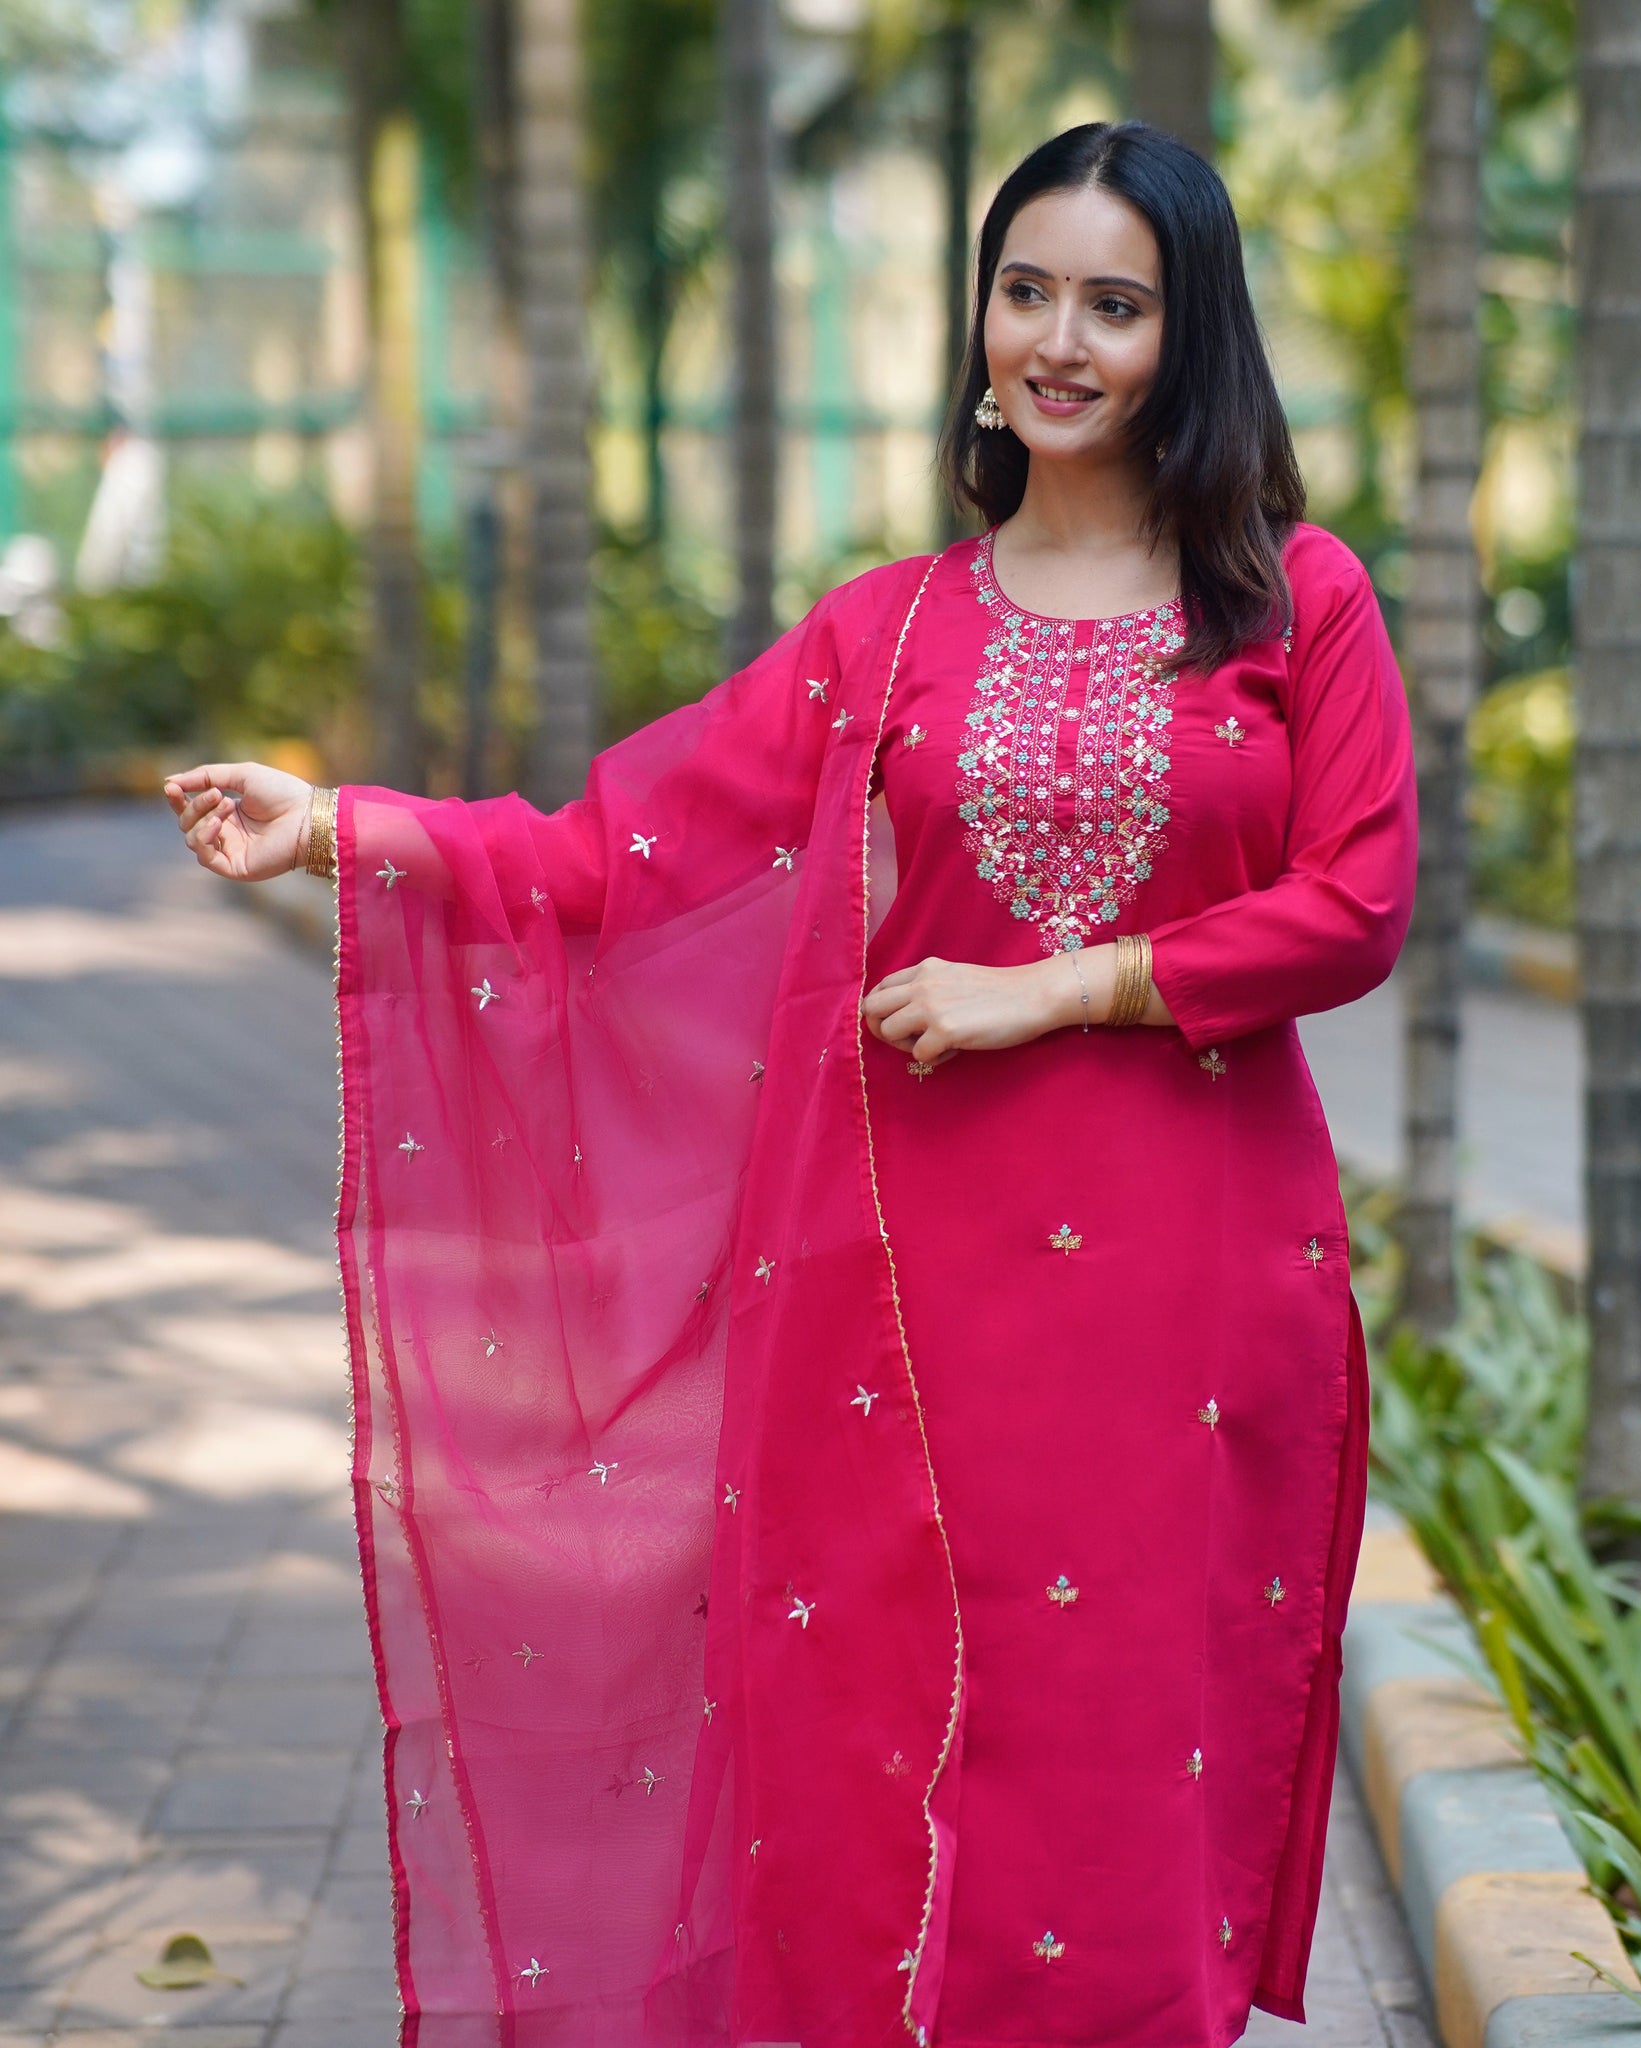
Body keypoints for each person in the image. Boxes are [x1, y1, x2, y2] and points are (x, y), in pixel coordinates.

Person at [163, 121, 1415, 2048]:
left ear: (1195, 336)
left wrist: (1064, 989)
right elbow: (620, 854)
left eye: (1117, 303)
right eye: (1026, 292)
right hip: (902, 1296)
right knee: (889, 1729)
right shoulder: (888, 630)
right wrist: (341, 825)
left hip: (1190, 1283)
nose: (1059, 342)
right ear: (978, 317)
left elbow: (1356, 901)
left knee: (1122, 1750)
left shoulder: (1294, 600)